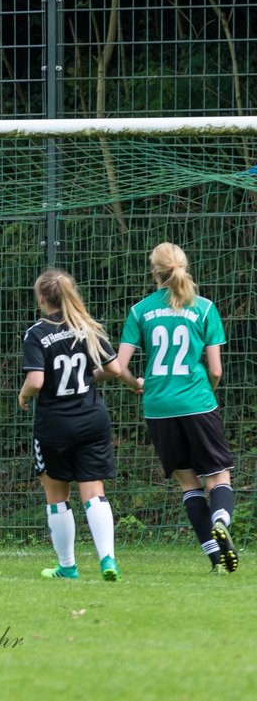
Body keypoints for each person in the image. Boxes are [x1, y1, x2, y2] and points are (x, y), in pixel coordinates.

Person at [115, 242, 238, 573]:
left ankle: (216, 560)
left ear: (154, 271)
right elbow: (215, 370)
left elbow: (118, 366)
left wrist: (136, 384)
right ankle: (221, 520)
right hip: (198, 402)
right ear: (184, 266)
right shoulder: (205, 308)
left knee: (189, 484)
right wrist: (204, 396)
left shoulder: (140, 310)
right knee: (218, 477)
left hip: (158, 406)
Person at [18, 268, 124, 581]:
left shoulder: (36, 333)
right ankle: (108, 560)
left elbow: (36, 381)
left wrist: (23, 394)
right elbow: (115, 368)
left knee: (57, 497)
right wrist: (90, 377)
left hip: (56, 424)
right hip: (92, 419)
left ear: (41, 298)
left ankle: (68, 566)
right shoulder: (86, 327)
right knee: (94, 491)